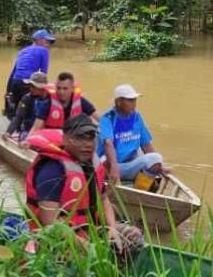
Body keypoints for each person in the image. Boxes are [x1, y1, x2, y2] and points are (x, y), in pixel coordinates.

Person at [25, 114, 144, 254]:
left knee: (133, 236)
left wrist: (112, 228)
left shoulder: (93, 163)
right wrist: (85, 245)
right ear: (66, 139)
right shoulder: (53, 169)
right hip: (58, 235)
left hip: (89, 228)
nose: (87, 144)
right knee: (84, 254)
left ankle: (116, 273)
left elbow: (104, 199)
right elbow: (49, 222)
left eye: (91, 138)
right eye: (80, 138)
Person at [98, 84, 166, 186]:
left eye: (134, 100)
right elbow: (108, 144)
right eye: (130, 100)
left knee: (156, 158)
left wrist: (160, 166)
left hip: (130, 163)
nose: (134, 104)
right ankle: (134, 187)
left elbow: (146, 145)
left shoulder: (137, 117)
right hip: (111, 166)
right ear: (119, 102)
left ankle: (140, 189)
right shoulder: (108, 118)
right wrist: (114, 168)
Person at [4, 29, 56, 117]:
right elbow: (43, 74)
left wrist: (8, 90)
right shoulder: (43, 51)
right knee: (31, 108)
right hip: (28, 83)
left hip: (15, 82)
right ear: (39, 40)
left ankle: (14, 125)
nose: (48, 45)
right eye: (47, 41)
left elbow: (13, 72)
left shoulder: (22, 51)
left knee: (17, 109)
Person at [30, 71, 99, 131]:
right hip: (53, 138)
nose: (61, 92)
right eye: (59, 88)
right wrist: (27, 141)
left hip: (73, 136)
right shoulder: (47, 103)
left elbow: (99, 119)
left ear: (72, 89)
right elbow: (36, 127)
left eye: (65, 89)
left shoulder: (81, 101)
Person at [2, 71, 51, 142]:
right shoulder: (27, 98)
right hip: (28, 131)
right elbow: (18, 117)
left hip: (46, 132)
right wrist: (9, 132)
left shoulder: (51, 100)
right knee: (25, 137)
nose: (30, 88)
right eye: (30, 85)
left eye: (33, 86)